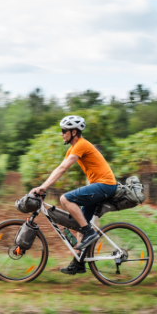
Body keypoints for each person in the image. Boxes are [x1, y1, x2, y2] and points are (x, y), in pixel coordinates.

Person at [29, 115, 117, 275]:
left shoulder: (81, 145)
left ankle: (90, 233)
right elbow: (59, 168)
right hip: (101, 186)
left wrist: (42, 187)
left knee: (65, 198)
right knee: (79, 224)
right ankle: (79, 263)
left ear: (74, 132)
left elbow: (63, 169)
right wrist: (44, 186)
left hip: (105, 185)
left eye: (64, 131)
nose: (62, 134)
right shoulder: (73, 148)